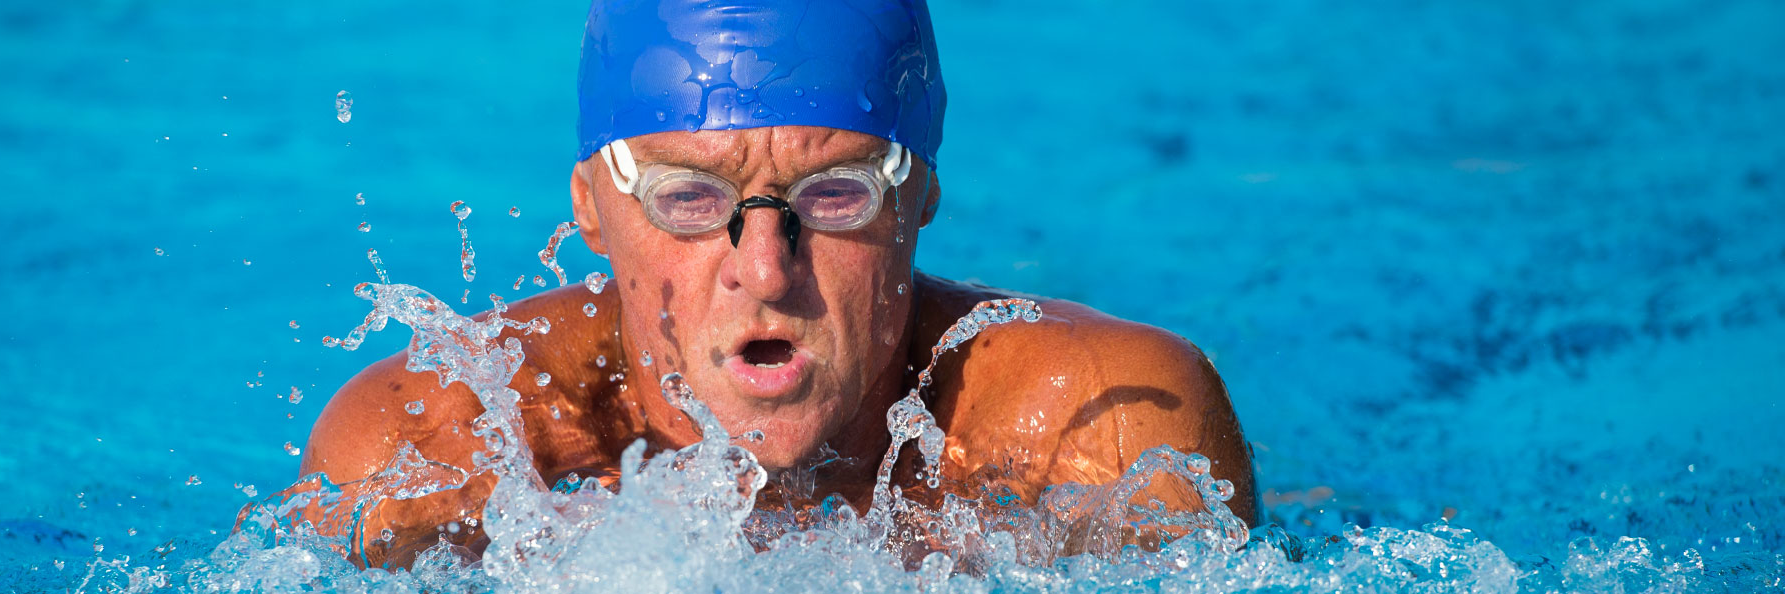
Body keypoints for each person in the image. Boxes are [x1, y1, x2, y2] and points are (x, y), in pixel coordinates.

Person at [293, 0, 1256, 568]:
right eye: (687, 198)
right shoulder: (429, 449)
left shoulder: (1104, 427)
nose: (763, 270)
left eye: (834, 196)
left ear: (918, 193)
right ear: (590, 207)